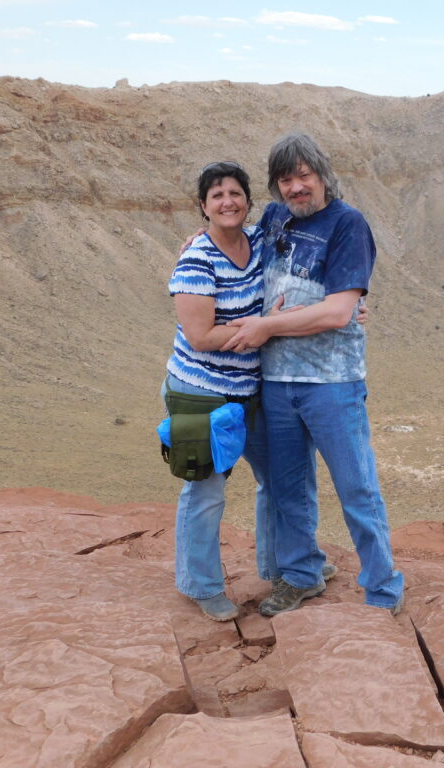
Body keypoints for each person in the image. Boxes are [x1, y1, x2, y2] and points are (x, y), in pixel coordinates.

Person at [222, 133, 403, 617]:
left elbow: (338, 313)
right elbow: (234, 248)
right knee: (287, 488)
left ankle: (383, 591)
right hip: (277, 381)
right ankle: (302, 575)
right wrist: (195, 243)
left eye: (304, 176)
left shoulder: (348, 225)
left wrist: (269, 325)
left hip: (332, 382)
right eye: (285, 179)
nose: (296, 187)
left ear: (322, 175)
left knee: (356, 487)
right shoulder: (276, 217)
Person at [164, 161, 350, 620]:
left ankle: (289, 565)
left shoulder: (261, 239)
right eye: (216, 196)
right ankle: (201, 585)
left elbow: (307, 275)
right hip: (202, 393)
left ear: (247, 200)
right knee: (206, 491)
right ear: (203, 206)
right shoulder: (196, 260)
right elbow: (201, 337)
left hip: (252, 389)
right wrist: (264, 329)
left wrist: (346, 307)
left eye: (234, 193)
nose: (227, 201)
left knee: (282, 479)